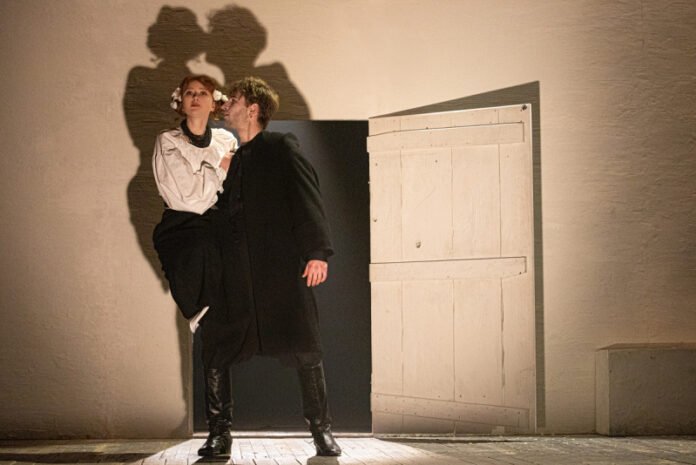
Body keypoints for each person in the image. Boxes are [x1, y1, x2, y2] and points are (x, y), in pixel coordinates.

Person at [194, 76, 341, 458]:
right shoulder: (234, 158)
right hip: (236, 274)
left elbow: (306, 194)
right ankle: (219, 434)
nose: (227, 106)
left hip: (277, 271)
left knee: (304, 347)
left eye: (234, 100)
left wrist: (317, 252)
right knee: (216, 343)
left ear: (253, 109)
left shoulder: (280, 146)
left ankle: (322, 431)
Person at [151, 74, 237, 333]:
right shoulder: (168, 141)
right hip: (183, 228)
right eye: (190, 92)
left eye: (203, 93)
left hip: (219, 225)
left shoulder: (225, 140)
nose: (196, 97)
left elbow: (230, 190)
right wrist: (221, 166)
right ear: (181, 101)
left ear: (213, 103)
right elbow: (190, 199)